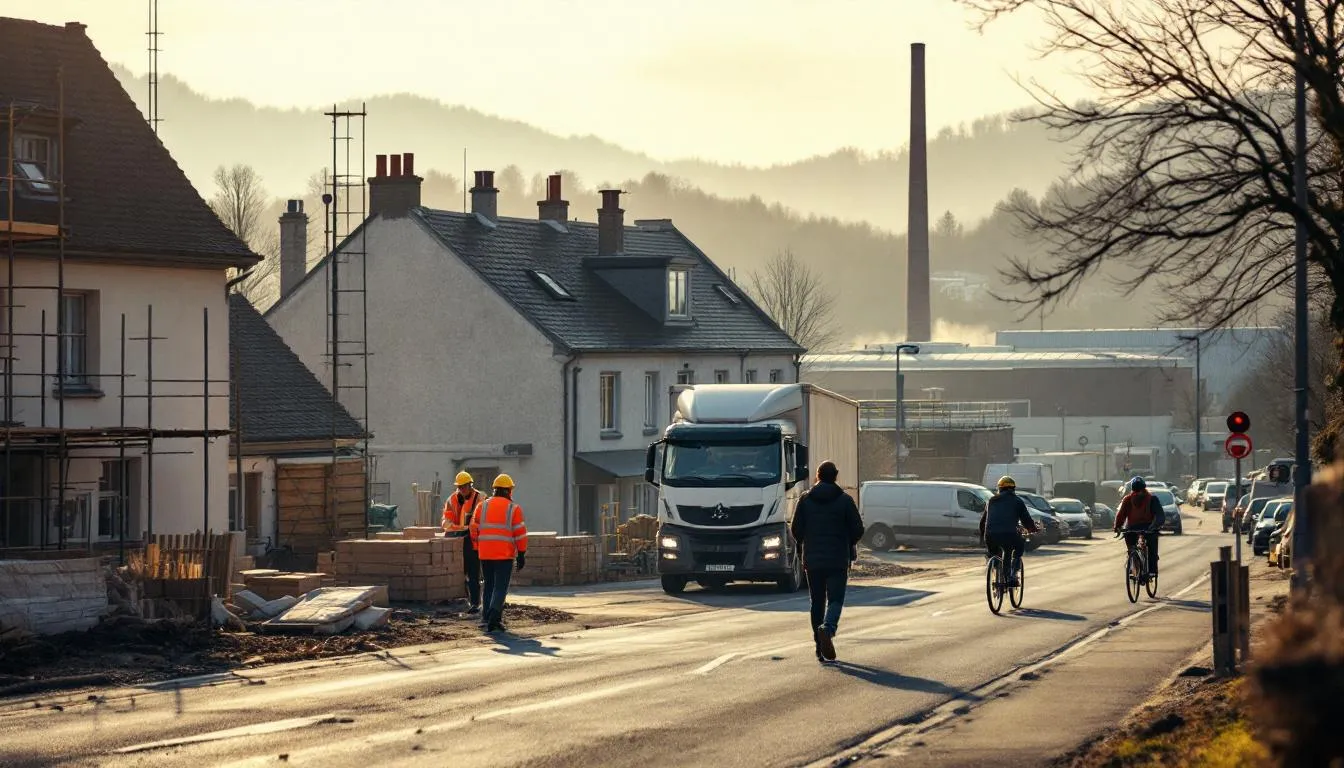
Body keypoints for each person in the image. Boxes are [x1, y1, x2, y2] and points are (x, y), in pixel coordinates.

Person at [789, 460, 863, 663]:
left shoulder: (805, 500)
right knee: (836, 599)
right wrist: (848, 541)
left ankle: (818, 647)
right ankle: (828, 629)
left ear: (818, 476)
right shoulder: (845, 501)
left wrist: (807, 542)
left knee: (817, 602)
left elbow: (796, 530)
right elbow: (858, 529)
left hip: (812, 560)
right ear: (836, 476)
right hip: (838, 559)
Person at [469, 473, 528, 633]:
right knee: (500, 587)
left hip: (485, 553)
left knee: (488, 585)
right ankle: (495, 617)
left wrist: (477, 547)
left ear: (494, 490)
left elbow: (473, 528)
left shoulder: (482, 505)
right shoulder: (513, 508)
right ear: (509, 491)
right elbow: (520, 533)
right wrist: (521, 553)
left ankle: (486, 617)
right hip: (504, 554)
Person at [978, 476, 1039, 586]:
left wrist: (983, 538)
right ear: (1013, 489)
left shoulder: (991, 501)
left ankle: (995, 565)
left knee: (994, 552)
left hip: (990, 535)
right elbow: (1026, 520)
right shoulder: (1017, 501)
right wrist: (1032, 529)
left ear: (1000, 489)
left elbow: (983, 523)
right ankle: (1011, 575)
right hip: (1009, 534)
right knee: (1016, 547)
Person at [441, 471, 484, 614]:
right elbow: (446, 522)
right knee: (459, 572)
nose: (462, 489)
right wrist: (458, 528)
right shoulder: (451, 500)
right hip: (457, 538)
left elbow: (482, 521)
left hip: (473, 542)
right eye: (459, 487)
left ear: (470, 486)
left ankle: (475, 603)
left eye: (464, 487)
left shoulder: (480, 498)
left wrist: (467, 529)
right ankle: (463, 600)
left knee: (473, 574)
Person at [1114, 476, 1165, 577]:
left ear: (1144, 489)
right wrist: (1118, 527)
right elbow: (1121, 514)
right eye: (1136, 491)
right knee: (1130, 545)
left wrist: (1154, 526)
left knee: (1152, 547)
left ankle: (1152, 570)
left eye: (1140, 490)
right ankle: (1132, 563)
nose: (1138, 493)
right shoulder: (1127, 499)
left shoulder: (1152, 499)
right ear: (1132, 491)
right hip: (1132, 527)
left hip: (1148, 526)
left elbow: (1160, 515)